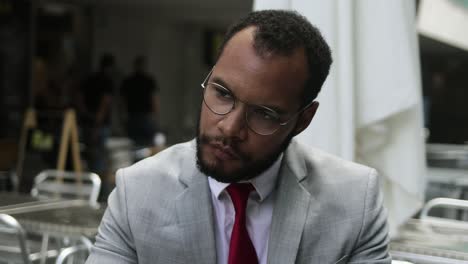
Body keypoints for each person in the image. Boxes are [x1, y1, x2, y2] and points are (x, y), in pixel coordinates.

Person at [87, 10, 391, 264]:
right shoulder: (137, 193)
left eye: (264, 114)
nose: (229, 128)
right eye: (222, 94)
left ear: (303, 120)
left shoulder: (354, 201)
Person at [81, 53, 116, 174]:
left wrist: (85, 111)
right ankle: (98, 185)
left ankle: (90, 179)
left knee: (89, 152)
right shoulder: (107, 81)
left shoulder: (90, 79)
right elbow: (105, 102)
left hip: (88, 119)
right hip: (99, 123)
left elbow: (79, 97)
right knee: (99, 155)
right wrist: (97, 121)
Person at [121, 55, 160, 146]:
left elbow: (122, 101)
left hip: (132, 116)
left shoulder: (128, 81)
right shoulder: (148, 81)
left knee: (134, 145)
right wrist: (156, 116)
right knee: (147, 146)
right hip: (145, 116)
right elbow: (154, 99)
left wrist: (123, 117)